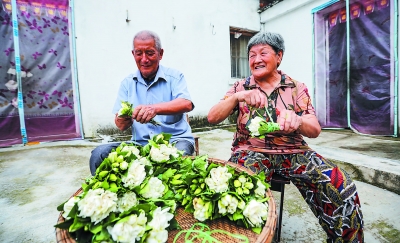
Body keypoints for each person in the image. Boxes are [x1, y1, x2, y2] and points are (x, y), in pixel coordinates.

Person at [207, 31, 363, 242]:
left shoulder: (296, 88)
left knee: (340, 185)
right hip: (251, 151)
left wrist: (298, 121)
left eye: (263, 53)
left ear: (279, 56)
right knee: (232, 187)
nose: (256, 59)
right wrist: (236, 98)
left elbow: (314, 129)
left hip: (295, 152)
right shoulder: (240, 87)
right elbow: (212, 117)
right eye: (251, 55)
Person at [89, 30, 195, 175]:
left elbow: (186, 103)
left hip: (175, 141)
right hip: (140, 144)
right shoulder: (127, 83)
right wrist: (124, 118)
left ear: (160, 53)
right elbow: (120, 125)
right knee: (99, 155)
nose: (144, 59)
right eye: (139, 53)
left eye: (150, 53)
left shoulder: (175, 77)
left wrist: (154, 109)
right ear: (133, 54)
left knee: (179, 157)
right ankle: (103, 196)